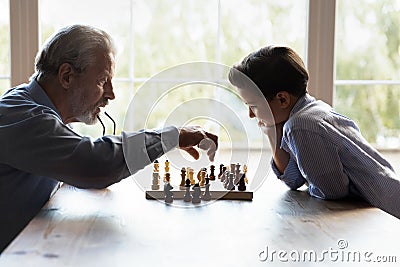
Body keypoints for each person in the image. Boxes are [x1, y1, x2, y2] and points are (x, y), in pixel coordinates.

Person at [0, 25, 218, 252]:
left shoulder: (29, 107)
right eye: (103, 80)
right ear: (66, 76)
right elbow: (94, 165)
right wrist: (171, 137)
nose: (111, 93)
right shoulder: (24, 117)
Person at [228, 45, 400, 219]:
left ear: (282, 99)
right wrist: (273, 133)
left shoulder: (301, 125)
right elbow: (294, 180)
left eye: (253, 106)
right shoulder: (308, 112)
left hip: (387, 214)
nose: (250, 114)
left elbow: (332, 191)